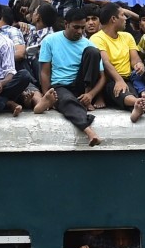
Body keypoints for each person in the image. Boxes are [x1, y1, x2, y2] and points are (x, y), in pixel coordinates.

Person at [35, 8, 105, 146]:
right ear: (66, 24)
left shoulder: (88, 43)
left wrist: (90, 94)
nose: (79, 31)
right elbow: (44, 72)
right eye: (76, 27)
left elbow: (102, 76)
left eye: (82, 28)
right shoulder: (50, 40)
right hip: (60, 86)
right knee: (67, 101)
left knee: (93, 52)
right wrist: (47, 95)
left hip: (81, 86)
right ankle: (89, 131)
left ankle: (85, 100)